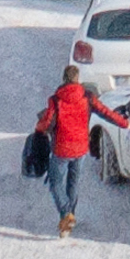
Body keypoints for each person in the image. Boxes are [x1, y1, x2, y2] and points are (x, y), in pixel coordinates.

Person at [43, 58, 98, 234]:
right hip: (81, 148)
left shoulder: (56, 99)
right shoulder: (87, 97)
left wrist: (39, 130)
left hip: (61, 149)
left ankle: (66, 214)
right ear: (77, 79)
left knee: (55, 182)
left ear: (63, 79)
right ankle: (69, 219)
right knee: (73, 183)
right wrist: (125, 124)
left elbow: (47, 122)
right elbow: (106, 112)